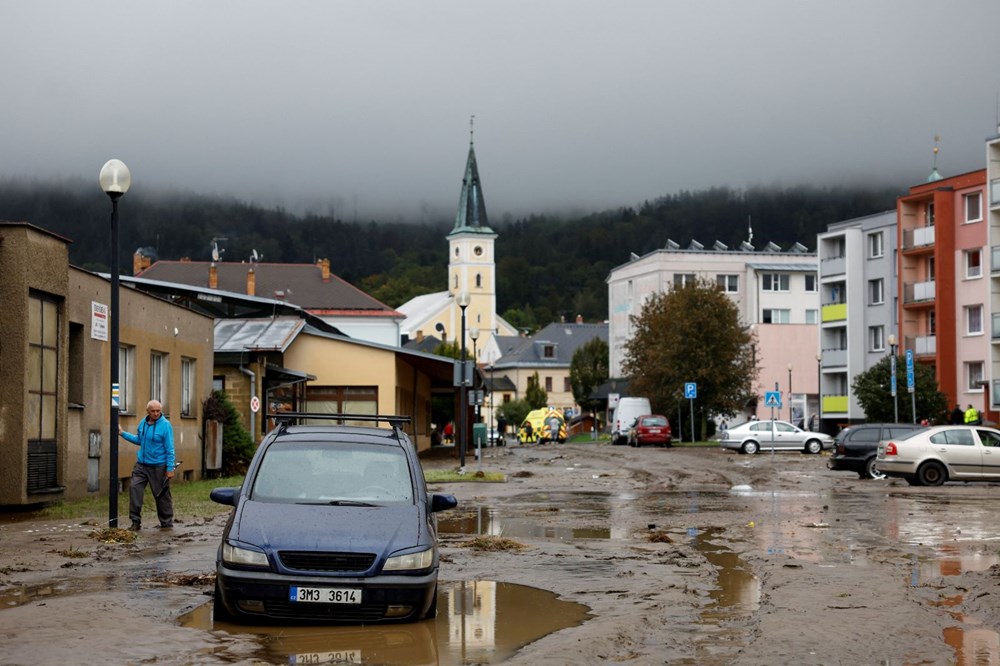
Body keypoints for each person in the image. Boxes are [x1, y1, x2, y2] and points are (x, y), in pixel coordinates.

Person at [119, 399, 175, 531]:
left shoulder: (166, 425)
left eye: (158, 411)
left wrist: (170, 468)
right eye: (153, 411)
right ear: (147, 412)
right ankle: (135, 521)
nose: (156, 413)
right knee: (134, 489)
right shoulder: (142, 424)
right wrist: (122, 434)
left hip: (159, 466)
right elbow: (140, 440)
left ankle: (166, 523)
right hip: (141, 466)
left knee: (161, 496)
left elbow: (170, 448)